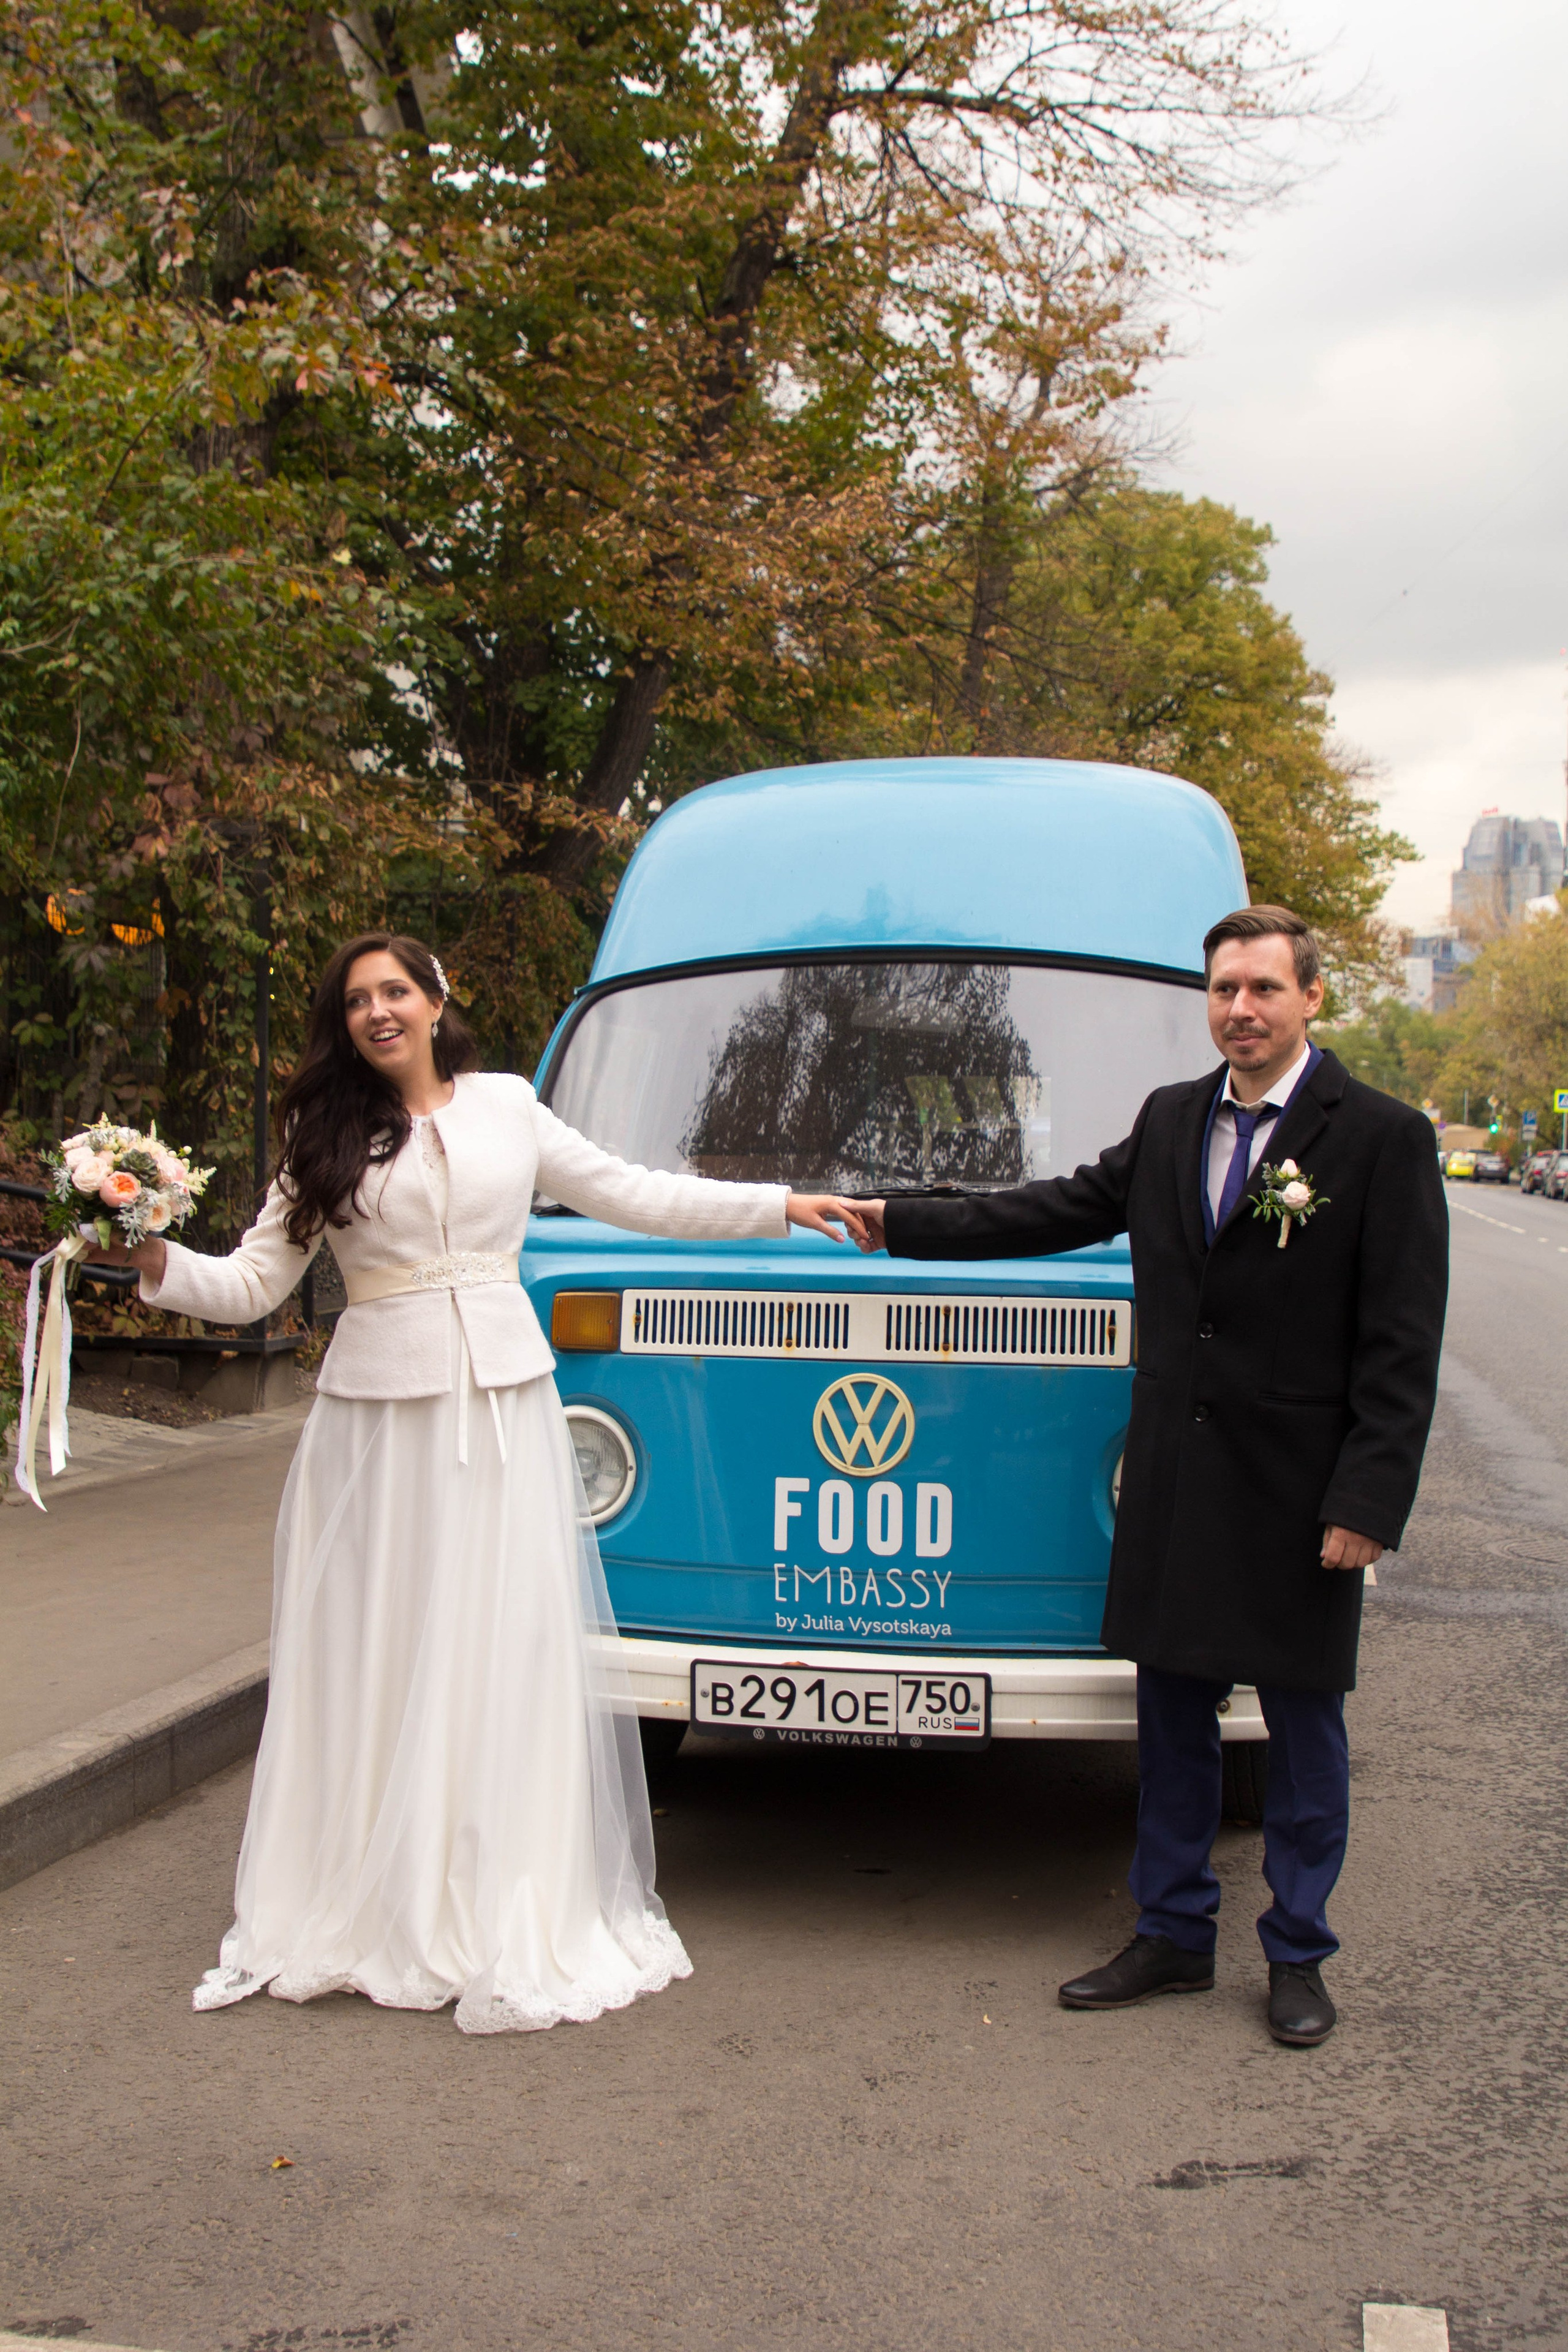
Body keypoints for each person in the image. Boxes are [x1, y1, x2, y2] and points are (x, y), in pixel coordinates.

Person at [89, 933, 865, 2035]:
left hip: (503, 1415)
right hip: (377, 1433)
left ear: (436, 996)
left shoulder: (509, 1106)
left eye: (395, 990)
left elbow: (634, 1194)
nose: (377, 1012)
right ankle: (375, 1896)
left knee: (495, 1649)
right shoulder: (322, 1136)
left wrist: (780, 1204)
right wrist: (149, 1257)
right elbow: (257, 1282)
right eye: (357, 999)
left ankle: (490, 1893)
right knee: (386, 1650)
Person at [853, 907, 1447, 2047]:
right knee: (1171, 1723)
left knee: (1298, 1739)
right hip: (1175, 1480)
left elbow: (1401, 1342)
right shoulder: (1173, 1121)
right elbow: (1056, 1208)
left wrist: (1367, 1502)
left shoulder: (1380, 1137)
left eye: (1264, 990)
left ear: (1312, 999)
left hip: (1298, 1495)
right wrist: (900, 1223)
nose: (1242, 1010)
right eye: (1224, 990)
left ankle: (1299, 1954)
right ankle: (1172, 1934)